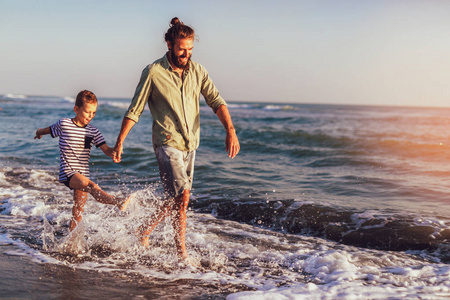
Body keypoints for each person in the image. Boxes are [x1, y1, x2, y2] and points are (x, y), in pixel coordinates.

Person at [113, 17, 240, 262]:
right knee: (183, 196)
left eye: (190, 49)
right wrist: (120, 142)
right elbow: (135, 109)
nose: (186, 54)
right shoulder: (153, 72)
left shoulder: (198, 71)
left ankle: (144, 230)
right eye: (182, 48)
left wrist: (230, 130)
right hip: (166, 142)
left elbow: (216, 101)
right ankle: (181, 253)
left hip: (190, 144)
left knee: (177, 198)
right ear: (169, 43)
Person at [34, 90, 133, 232]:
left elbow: (105, 149)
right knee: (93, 187)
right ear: (76, 109)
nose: (90, 116)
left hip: (83, 173)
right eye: (87, 112)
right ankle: (118, 202)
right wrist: (39, 132)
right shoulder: (64, 124)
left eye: (93, 113)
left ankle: (72, 242)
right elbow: (46, 130)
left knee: (78, 209)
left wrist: (114, 151)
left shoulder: (93, 131)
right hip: (69, 172)